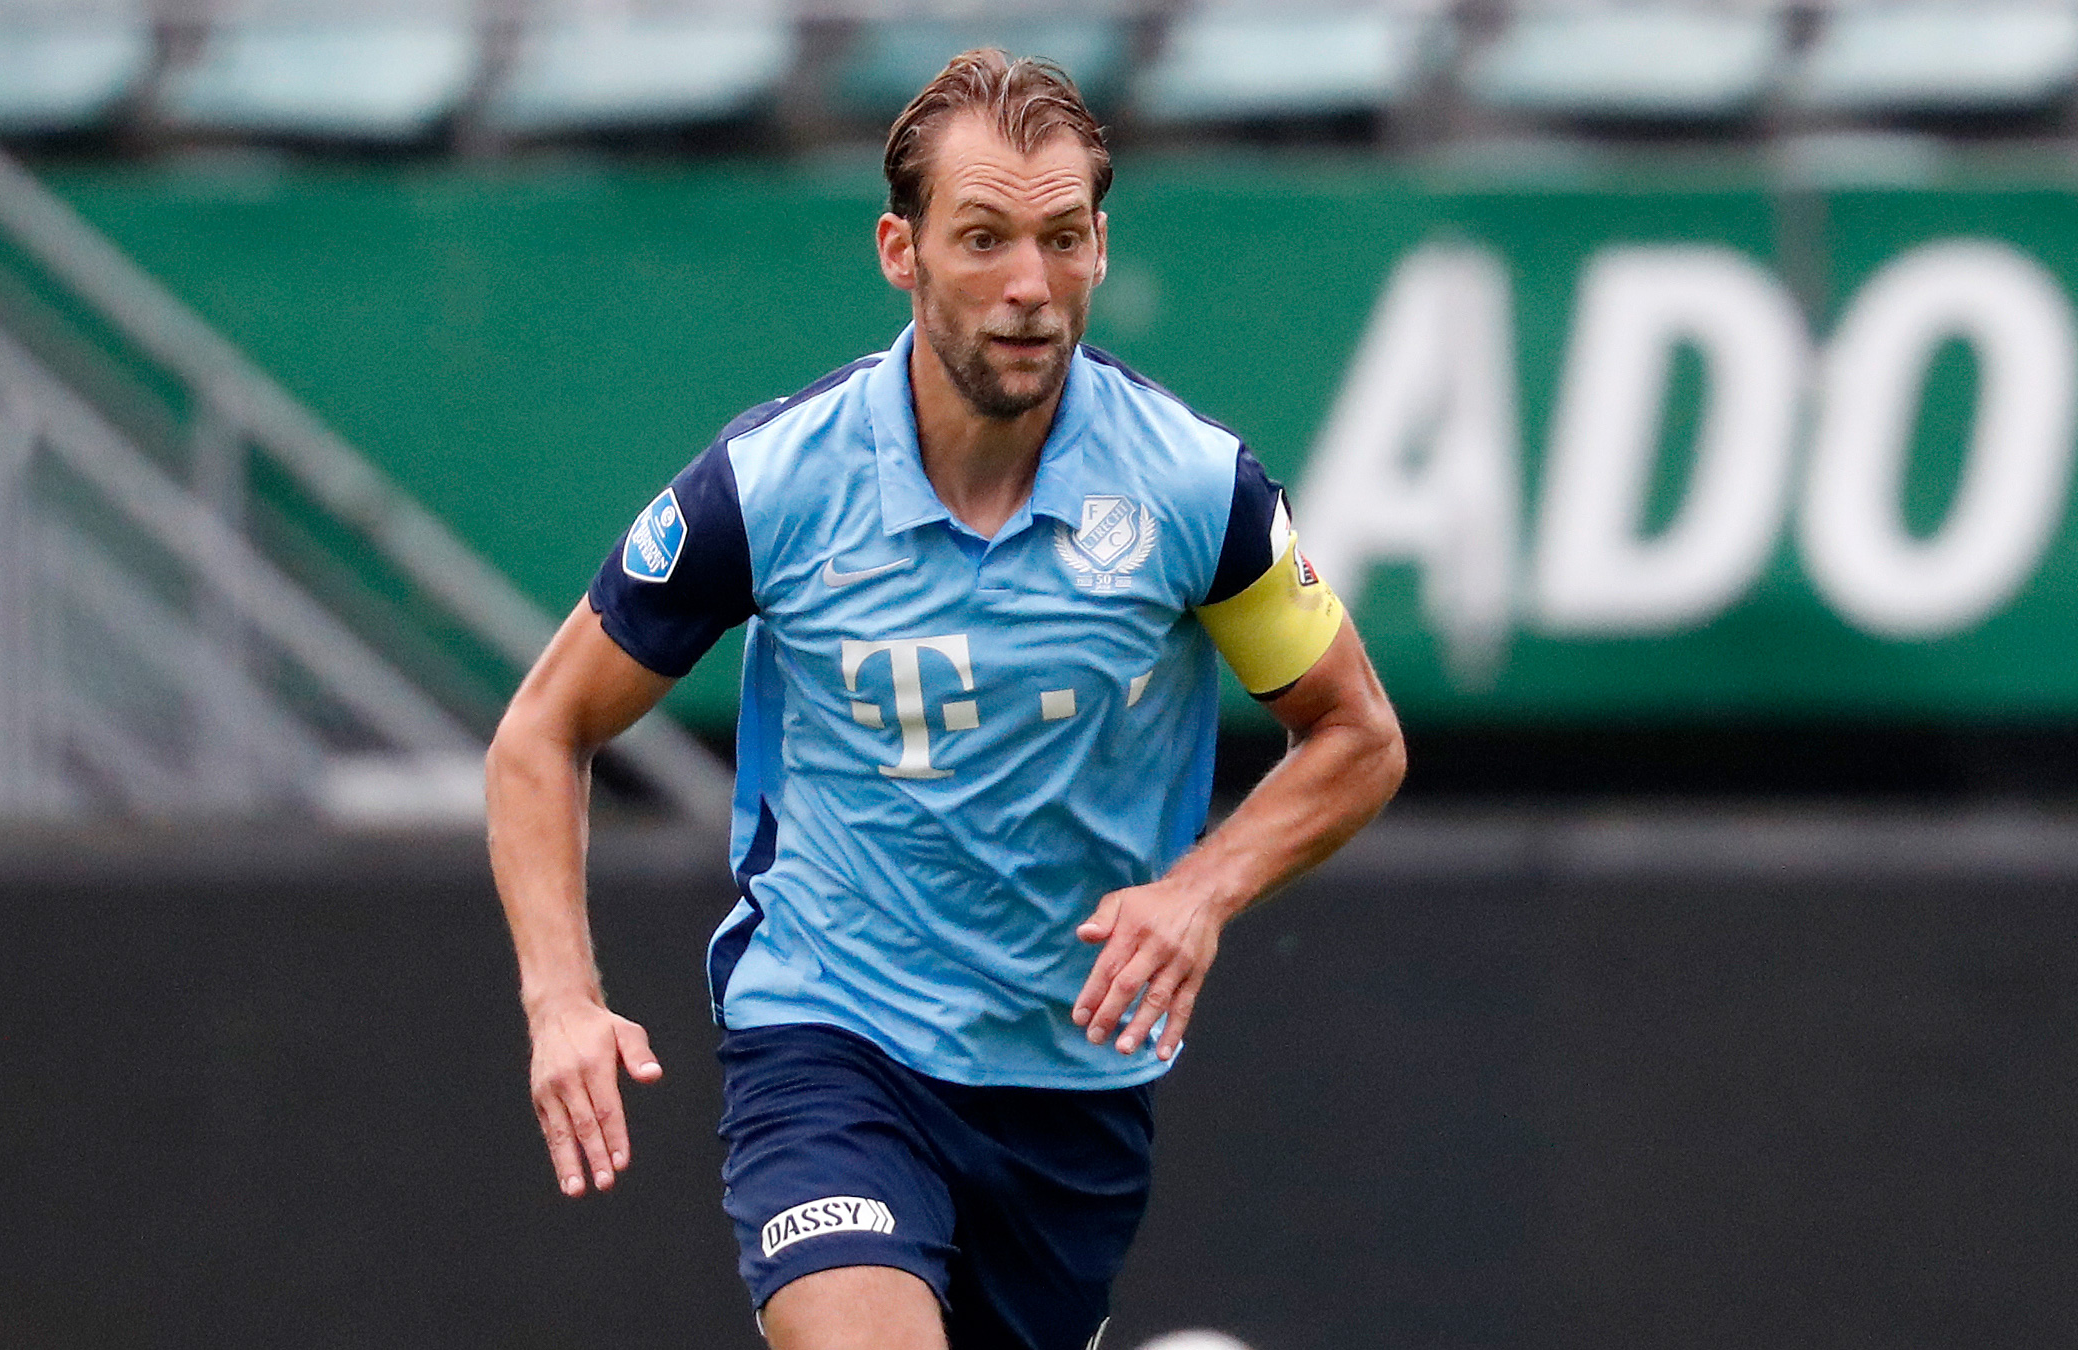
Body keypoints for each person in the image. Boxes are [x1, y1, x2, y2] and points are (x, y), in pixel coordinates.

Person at [485, 49, 1406, 1350]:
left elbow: (1356, 733)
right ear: (897, 251)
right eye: (981, 239)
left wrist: (1200, 889)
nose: (1028, 287)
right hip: (831, 1036)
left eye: (1061, 238)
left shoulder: (1196, 492)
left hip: (1067, 1081)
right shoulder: (774, 486)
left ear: (1099, 247)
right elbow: (544, 726)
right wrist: (559, 1000)